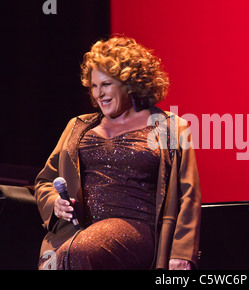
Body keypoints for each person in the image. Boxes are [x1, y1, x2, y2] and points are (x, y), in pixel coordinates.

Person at [35, 36, 201, 270]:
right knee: (57, 259)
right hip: (77, 232)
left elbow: (188, 195)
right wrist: (55, 203)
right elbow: (45, 181)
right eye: (93, 86)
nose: (98, 94)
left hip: (137, 229)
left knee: (78, 252)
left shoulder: (172, 127)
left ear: (130, 82)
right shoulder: (78, 127)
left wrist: (181, 252)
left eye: (106, 84)